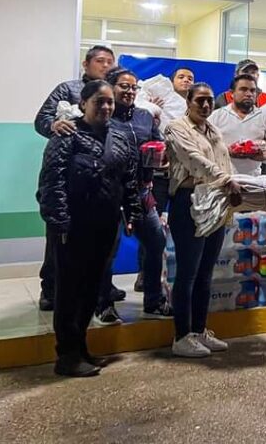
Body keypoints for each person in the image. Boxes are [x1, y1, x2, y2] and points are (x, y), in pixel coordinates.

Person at [37, 80, 141, 377]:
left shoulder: (120, 137)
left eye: (110, 102)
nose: (106, 106)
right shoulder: (66, 134)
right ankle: (66, 355)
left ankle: (81, 347)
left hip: (106, 224)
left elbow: (128, 180)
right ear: (83, 104)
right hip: (73, 226)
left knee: (92, 288)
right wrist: (58, 221)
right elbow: (51, 182)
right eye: (99, 101)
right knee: (69, 291)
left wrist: (132, 212)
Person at [33, 44, 117, 311]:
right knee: (59, 242)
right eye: (101, 61)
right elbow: (41, 119)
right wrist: (53, 125)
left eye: (110, 62)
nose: (106, 66)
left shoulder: (116, 89)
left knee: (102, 245)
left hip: (102, 180)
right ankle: (50, 289)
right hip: (70, 176)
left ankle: (103, 287)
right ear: (86, 64)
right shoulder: (67, 89)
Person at [93, 68, 173, 325]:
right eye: (123, 86)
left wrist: (160, 157)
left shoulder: (144, 117)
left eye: (133, 87)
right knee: (107, 250)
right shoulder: (102, 117)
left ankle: (154, 300)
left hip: (141, 192)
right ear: (110, 88)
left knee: (156, 242)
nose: (128, 91)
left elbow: (158, 145)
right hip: (110, 195)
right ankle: (103, 304)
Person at [164, 82, 237, 358]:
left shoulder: (213, 130)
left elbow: (224, 163)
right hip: (188, 203)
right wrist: (227, 180)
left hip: (213, 202)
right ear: (188, 102)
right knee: (188, 273)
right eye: (200, 101)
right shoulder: (176, 128)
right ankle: (181, 336)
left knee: (206, 273)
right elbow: (194, 160)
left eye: (209, 101)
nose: (206, 106)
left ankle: (198, 330)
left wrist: (230, 191)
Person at [136, 65, 195, 294]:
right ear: (172, 81)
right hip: (159, 177)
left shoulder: (195, 109)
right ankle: (144, 274)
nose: (186, 81)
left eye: (190, 78)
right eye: (181, 77)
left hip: (184, 177)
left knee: (183, 226)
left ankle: (176, 273)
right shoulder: (155, 102)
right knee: (152, 228)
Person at [208, 74, 266, 177]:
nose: (249, 94)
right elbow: (204, 144)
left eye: (252, 90)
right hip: (221, 178)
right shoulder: (216, 116)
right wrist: (226, 151)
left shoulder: (265, 117)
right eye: (243, 89)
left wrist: (262, 156)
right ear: (232, 93)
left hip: (253, 180)